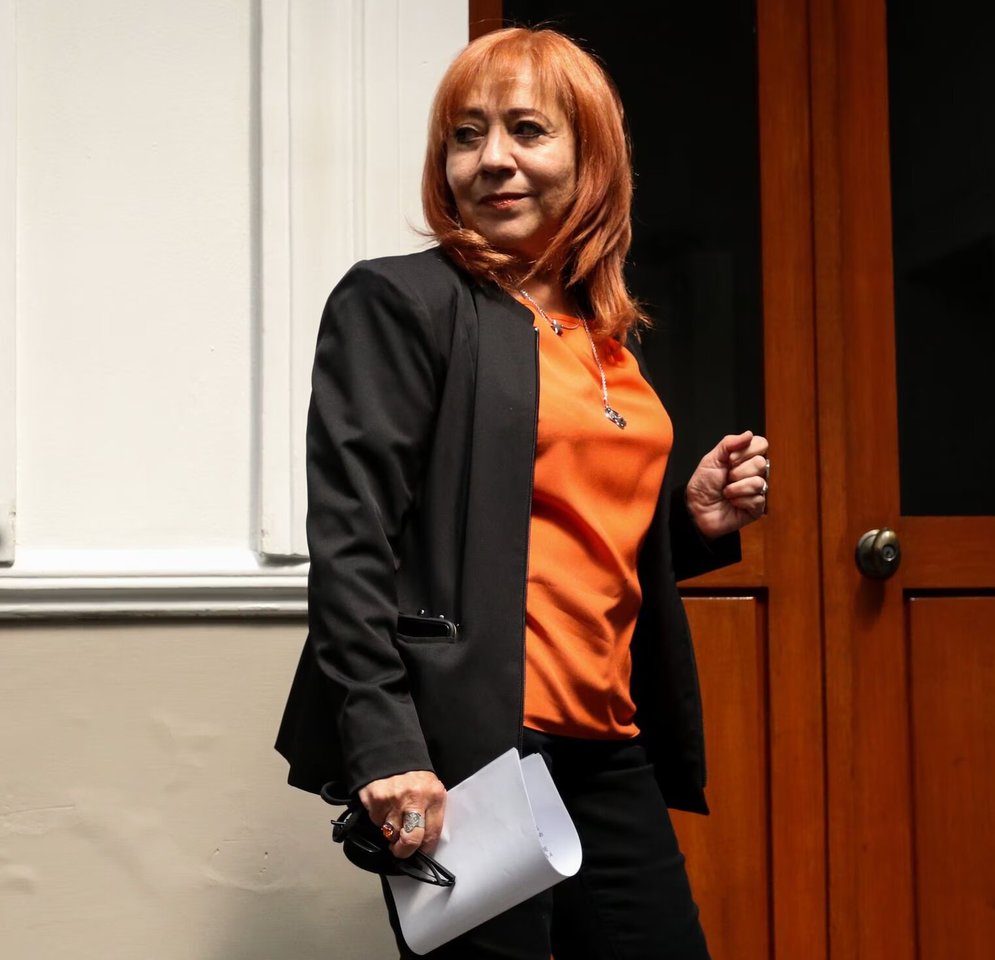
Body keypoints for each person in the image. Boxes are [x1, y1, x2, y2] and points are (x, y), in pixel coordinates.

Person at [275, 26, 770, 959]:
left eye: (527, 130)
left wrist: (690, 524)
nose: (492, 159)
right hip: (472, 747)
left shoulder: (606, 340)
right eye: (466, 136)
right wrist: (387, 743)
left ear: (591, 159)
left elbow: (561, 533)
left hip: (607, 740)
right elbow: (353, 542)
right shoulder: (403, 303)